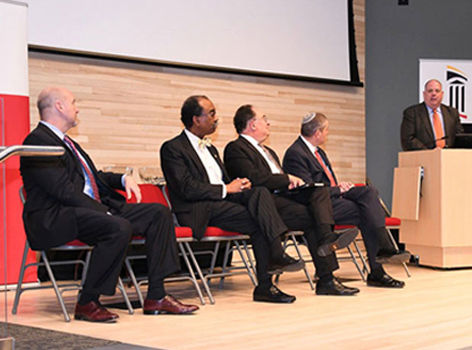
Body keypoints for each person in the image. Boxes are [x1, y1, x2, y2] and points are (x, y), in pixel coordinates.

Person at [20, 87, 198, 322]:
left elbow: (92, 177)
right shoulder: (38, 141)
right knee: (117, 226)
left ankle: (157, 295)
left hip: (87, 211)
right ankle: (87, 302)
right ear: (59, 107)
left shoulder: (67, 142)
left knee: (158, 213)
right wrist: (103, 211)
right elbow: (63, 191)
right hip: (56, 217)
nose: (78, 108)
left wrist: (123, 179)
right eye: (73, 102)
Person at [160, 95, 322, 303]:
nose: (216, 118)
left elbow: (222, 180)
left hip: (222, 202)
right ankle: (270, 270)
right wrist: (227, 188)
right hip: (197, 208)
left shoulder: (210, 148)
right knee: (259, 218)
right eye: (211, 114)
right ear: (196, 119)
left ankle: (271, 268)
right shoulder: (172, 148)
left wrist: (239, 184)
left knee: (259, 194)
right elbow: (186, 188)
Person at [224, 104, 361, 296]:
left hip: (281, 200)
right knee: (314, 211)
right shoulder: (236, 148)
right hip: (262, 204)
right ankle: (320, 252)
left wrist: (291, 184)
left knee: (317, 197)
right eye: (264, 118)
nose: (268, 122)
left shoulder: (268, 151)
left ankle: (327, 277)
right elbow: (253, 178)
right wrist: (287, 179)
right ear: (252, 124)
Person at [283, 112, 409, 288]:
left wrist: (338, 187)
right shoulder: (295, 153)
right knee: (367, 210)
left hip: (332, 198)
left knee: (369, 192)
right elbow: (307, 191)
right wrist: (337, 189)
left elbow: (325, 183)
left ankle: (382, 254)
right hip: (318, 207)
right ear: (317, 133)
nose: (327, 134)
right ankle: (379, 264)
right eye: (326, 130)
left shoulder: (319, 152)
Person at [401, 79, 464, 151]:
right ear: (424, 94)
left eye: (437, 91)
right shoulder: (412, 113)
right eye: (430, 91)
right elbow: (408, 139)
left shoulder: (452, 113)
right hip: (423, 159)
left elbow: (460, 137)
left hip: (449, 159)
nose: (434, 94)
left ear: (442, 94)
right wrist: (430, 152)